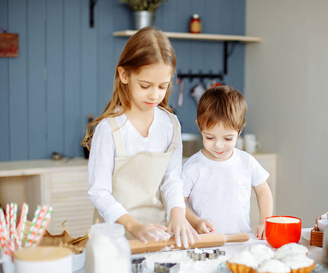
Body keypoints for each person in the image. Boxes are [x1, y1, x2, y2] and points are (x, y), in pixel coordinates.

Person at [82, 27, 198, 248]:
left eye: (162, 86)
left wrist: (177, 214)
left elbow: (172, 180)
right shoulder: (110, 129)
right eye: (145, 86)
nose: (154, 95)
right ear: (124, 75)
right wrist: (133, 226)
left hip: (159, 234)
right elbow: (99, 192)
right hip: (115, 236)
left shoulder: (170, 125)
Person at [181, 86, 273, 239]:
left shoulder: (246, 161)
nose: (218, 145)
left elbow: (263, 192)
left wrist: (265, 221)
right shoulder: (192, 167)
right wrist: (196, 222)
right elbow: (178, 202)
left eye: (228, 138)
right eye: (210, 137)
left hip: (241, 238)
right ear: (199, 127)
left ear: (240, 130)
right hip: (206, 242)